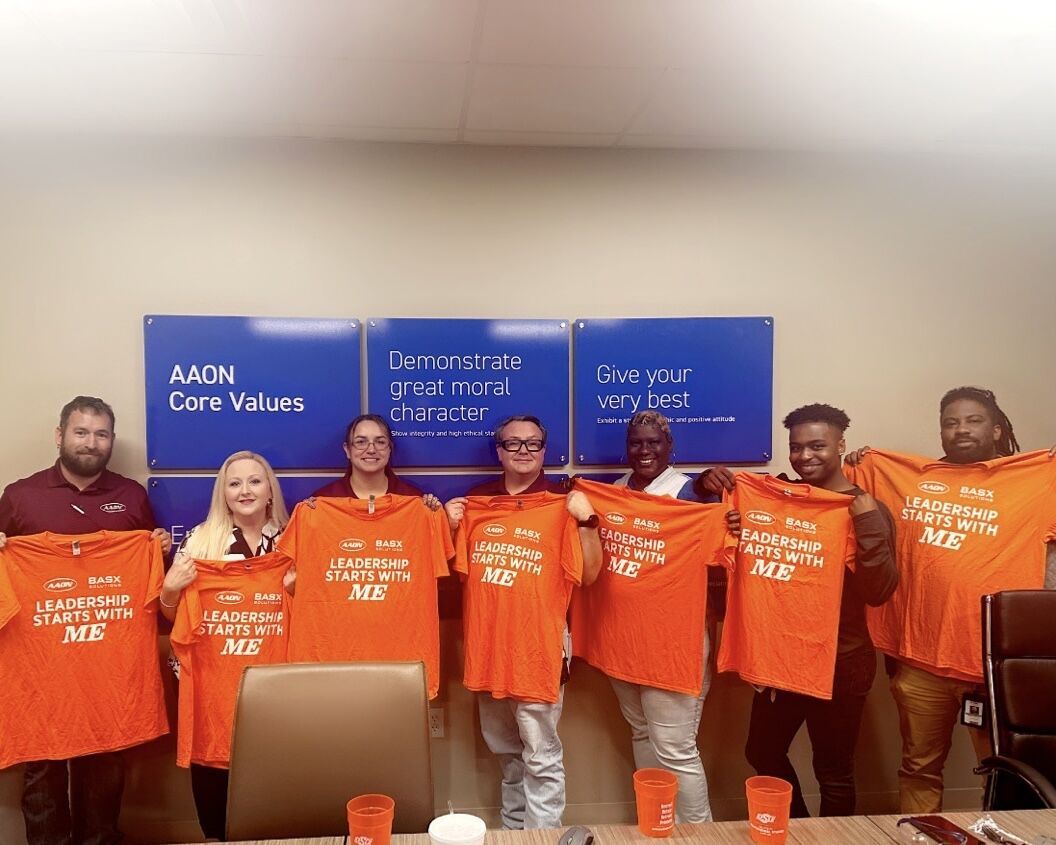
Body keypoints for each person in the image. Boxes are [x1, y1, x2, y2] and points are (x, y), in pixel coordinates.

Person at [845, 386, 1056, 813]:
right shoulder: (911, 477)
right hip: (922, 658)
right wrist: (860, 463)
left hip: (995, 663)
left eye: (973, 420)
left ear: (997, 429)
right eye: (951, 422)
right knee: (918, 766)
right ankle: (921, 839)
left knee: (1006, 770)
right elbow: (825, 487)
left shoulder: (1037, 480)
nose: (960, 429)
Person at [701, 403, 898, 817]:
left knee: (834, 770)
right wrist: (726, 502)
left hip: (841, 661)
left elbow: (878, 592)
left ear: (841, 445)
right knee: (761, 752)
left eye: (817, 446)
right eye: (796, 447)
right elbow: (719, 498)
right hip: (782, 657)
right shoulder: (780, 498)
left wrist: (867, 527)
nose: (805, 456)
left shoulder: (865, 508)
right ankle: (802, 831)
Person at [0, 395, 171, 845]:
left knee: (106, 755)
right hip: (42, 664)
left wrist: (154, 549)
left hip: (106, 663)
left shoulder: (131, 496)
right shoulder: (19, 497)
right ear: (60, 436)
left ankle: (99, 838)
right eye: (81, 432)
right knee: (43, 762)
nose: (90, 442)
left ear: (111, 440)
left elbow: (149, 577)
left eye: (101, 434)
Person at [444, 415, 602, 829]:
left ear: (545, 450)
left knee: (541, 755)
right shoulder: (477, 502)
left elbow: (587, 575)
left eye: (533, 444)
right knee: (506, 753)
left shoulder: (560, 502)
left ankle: (543, 839)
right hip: (488, 648)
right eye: (513, 444)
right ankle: (515, 834)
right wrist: (449, 527)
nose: (524, 451)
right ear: (498, 451)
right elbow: (444, 570)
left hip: (539, 648)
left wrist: (586, 521)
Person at [158, 450, 292, 841]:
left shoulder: (294, 538)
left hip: (274, 678)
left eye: (254, 481)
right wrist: (169, 589)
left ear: (270, 490)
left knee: (275, 767)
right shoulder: (201, 541)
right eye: (234, 483)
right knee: (215, 763)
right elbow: (174, 617)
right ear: (224, 493)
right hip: (212, 677)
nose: (244, 490)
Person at [606, 410, 720, 822]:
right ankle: (658, 825)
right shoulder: (615, 491)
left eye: (654, 442)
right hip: (623, 641)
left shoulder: (691, 493)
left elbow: (723, 529)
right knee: (642, 735)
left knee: (676, 750)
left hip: (674, 643)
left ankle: (697, 837)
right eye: (636, 442)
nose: (644, 450)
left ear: (670, 447)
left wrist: (713, 487)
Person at [312, 413, 426, 498]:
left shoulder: (412, 499)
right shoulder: (324, 500)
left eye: (380, 442)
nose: (371, 450)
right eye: (361, 442)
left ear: (389, 449)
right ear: (347, 450)